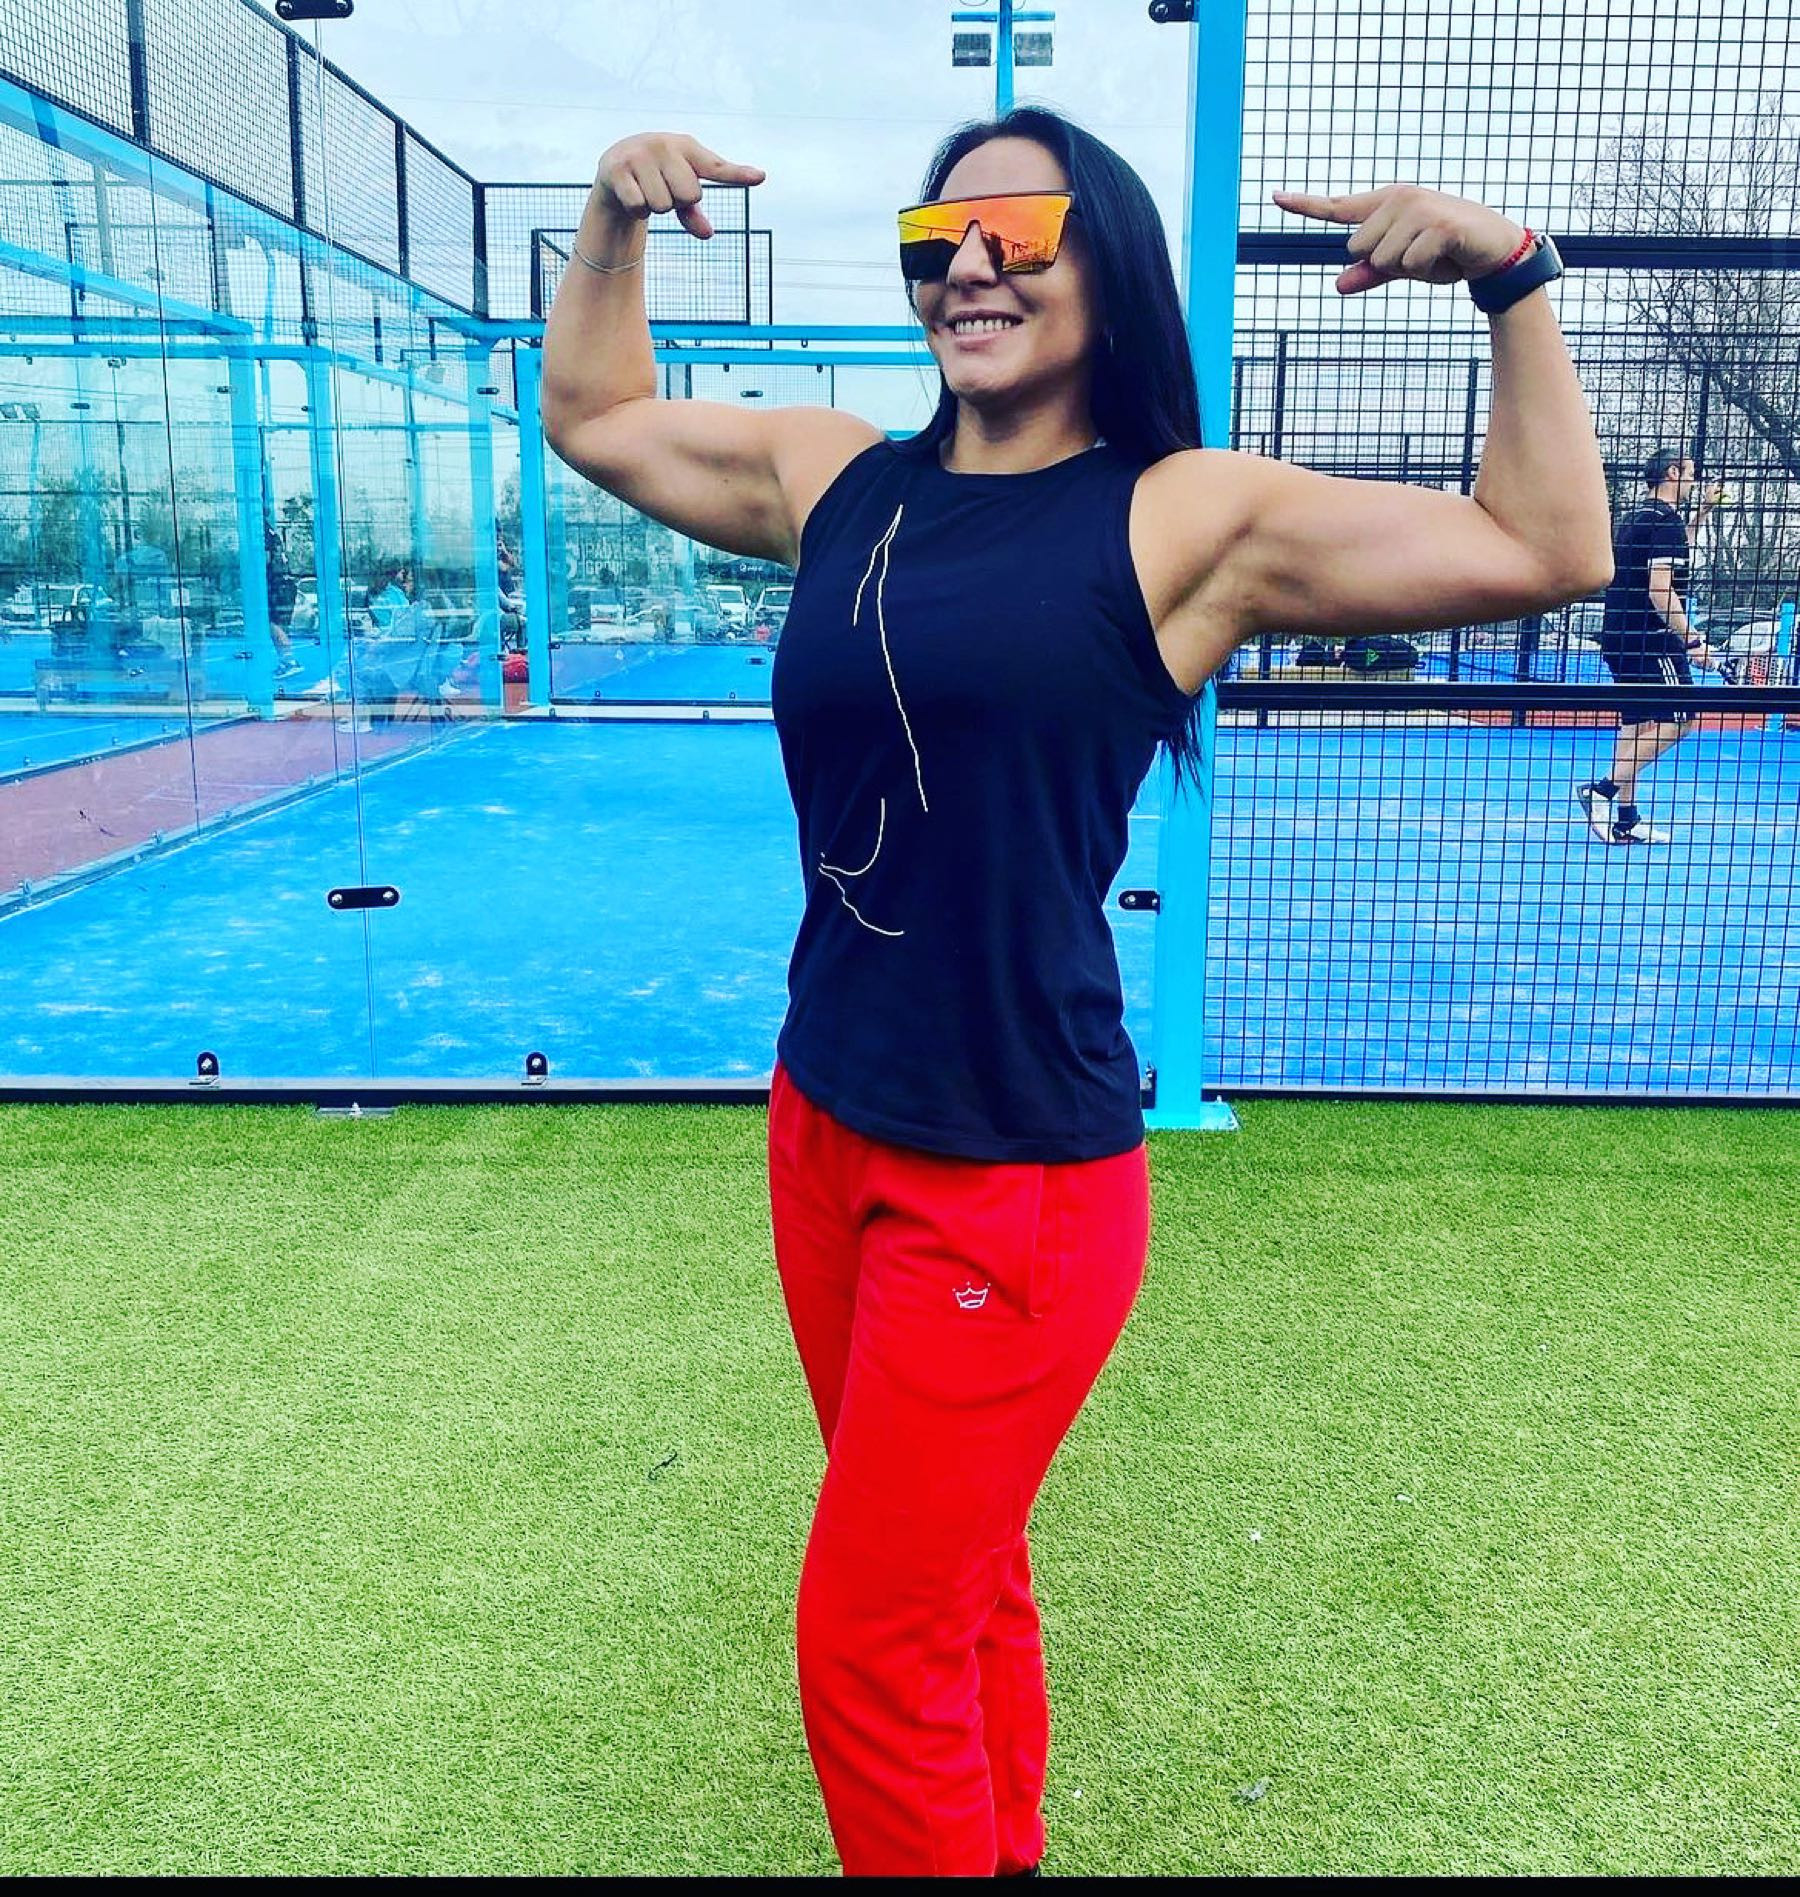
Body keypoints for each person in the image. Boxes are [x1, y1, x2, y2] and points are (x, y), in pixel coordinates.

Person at [540, 114, 1611, 1877]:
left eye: (1019, 228)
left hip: (1011, 1177)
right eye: (938, 234)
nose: (970, 262)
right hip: (824, 1124)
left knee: (869, 1642)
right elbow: (596, 414)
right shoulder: (835, 478)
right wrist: (608, 219)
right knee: (955, 1580)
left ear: (1106, 260)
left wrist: (1512, 278)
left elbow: (1547, 547)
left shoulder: (1185, 515)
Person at [1575, 449, 1724, 845]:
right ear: (1672, 473)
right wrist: (1692, 641)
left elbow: (1675, 554)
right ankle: (1602, 790)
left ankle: (1626, 819)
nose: (1693, 481)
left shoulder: (1638, 519)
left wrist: (1702, 514)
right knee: (1682, 718)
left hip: (1618, 637)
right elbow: (1661, 588)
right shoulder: (1664, 523)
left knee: (1637, 724)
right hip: (1651, 641)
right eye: (1690, 473)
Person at [265, 527, 302, 680]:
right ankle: (286, 661)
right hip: (282, 586)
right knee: (276, 626)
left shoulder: (263, 534)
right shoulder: (271, 533)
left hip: (278, 587)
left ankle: (289, 662)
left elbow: (267, 559)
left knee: (273, 625)